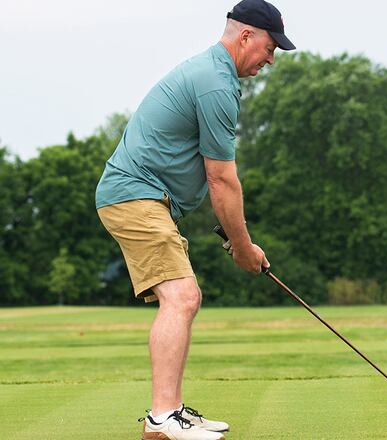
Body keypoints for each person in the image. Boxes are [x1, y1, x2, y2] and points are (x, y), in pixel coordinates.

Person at [95, 1, 295, 438]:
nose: (270, 59)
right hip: (135, 195)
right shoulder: (216, 84)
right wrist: (242, 247)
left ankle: (171, 412)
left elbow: (212, 178)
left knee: (185, 297)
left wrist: (239, 240)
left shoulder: (214, 75)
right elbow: (222, 180)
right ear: (246, 36)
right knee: (182, 297)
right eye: (269, 48)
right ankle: (163, 418)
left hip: (145, 197)